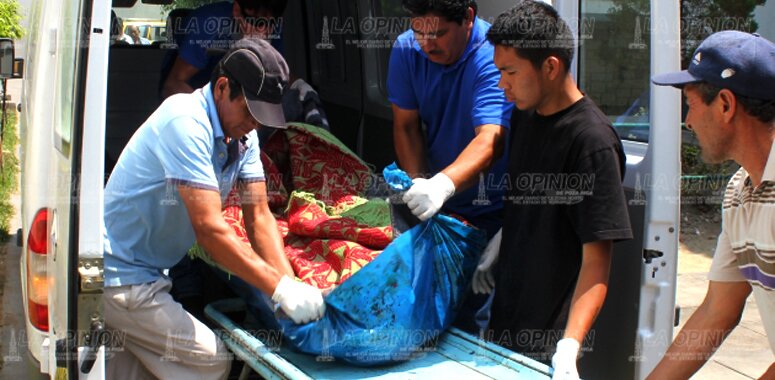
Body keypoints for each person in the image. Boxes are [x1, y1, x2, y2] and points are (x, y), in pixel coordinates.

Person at [103, 38, 325, 379]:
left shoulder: (243, 137)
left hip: (149, 273)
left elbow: (259, 216)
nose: (256, 124)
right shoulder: (185, 121)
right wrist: (278, 289)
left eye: (262, 117)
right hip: (121, 275)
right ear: (222, 87)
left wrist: (288, 284)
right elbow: (209, 229)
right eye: (250, 112)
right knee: (209, 361)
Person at [479, 2, 633, 379]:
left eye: (510, 72)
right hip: (506, 320)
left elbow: (597, 262)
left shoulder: (591, 142)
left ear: (550, 66)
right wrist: (504, 238)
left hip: (549, 339)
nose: (503, 84)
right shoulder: (525, 114)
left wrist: (568, 348)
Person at [646, 30, 775, 379]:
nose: (687, 121)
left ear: (725, 105)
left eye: (690, 105)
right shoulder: (739, 192)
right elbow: (718, 310)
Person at [387, 0, 512, 334]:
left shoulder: (492, 56)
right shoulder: (405, 50)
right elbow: (406, 126)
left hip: (489, 211)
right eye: (419, 33)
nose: (427, 44)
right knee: (426, 311)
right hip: (435, 210)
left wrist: (441, 186)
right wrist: (418, 185)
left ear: (468, 18)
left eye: (439, 34)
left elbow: (491, 139)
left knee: (475, 320)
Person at [161, 0, 286, 99]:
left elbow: (274, 77)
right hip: (193, 96)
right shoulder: (205, 25)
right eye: (259, 23)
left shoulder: (274, 29)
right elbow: (172, 85)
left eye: (271, 23)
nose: (265, 31)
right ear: (237, 10)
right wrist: (211, 113)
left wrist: (298, 87)